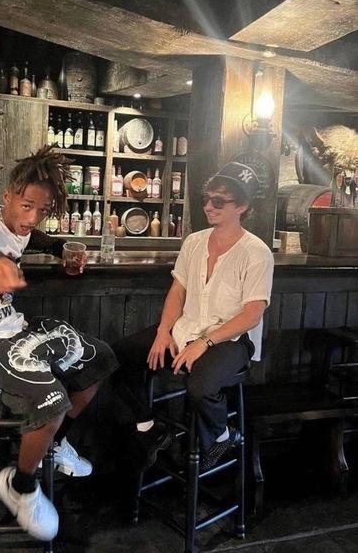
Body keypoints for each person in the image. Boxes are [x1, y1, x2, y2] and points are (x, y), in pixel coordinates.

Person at [0, 146, 118, 541]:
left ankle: (52, 444)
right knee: (51, 400)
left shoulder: (19, 224)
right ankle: (20, 486)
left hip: (12, 329)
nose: (32, 217)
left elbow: (30, 235)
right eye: (26, 206)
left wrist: (59, 247)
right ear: (6, 197)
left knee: (97, 359)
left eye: (43, 209)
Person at [113, 162, 274, 472]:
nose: (208, 207)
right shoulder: (194, 241)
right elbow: (178, 291)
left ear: (241, 206)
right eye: (206, 199)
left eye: (218, 201)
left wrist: (204, 342)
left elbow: (252, 315)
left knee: (199, 386)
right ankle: (148, 426)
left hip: (231, 339)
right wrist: (163, 331)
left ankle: (221, 434)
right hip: (185, 329)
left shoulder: (257, 252)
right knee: (117, 355)